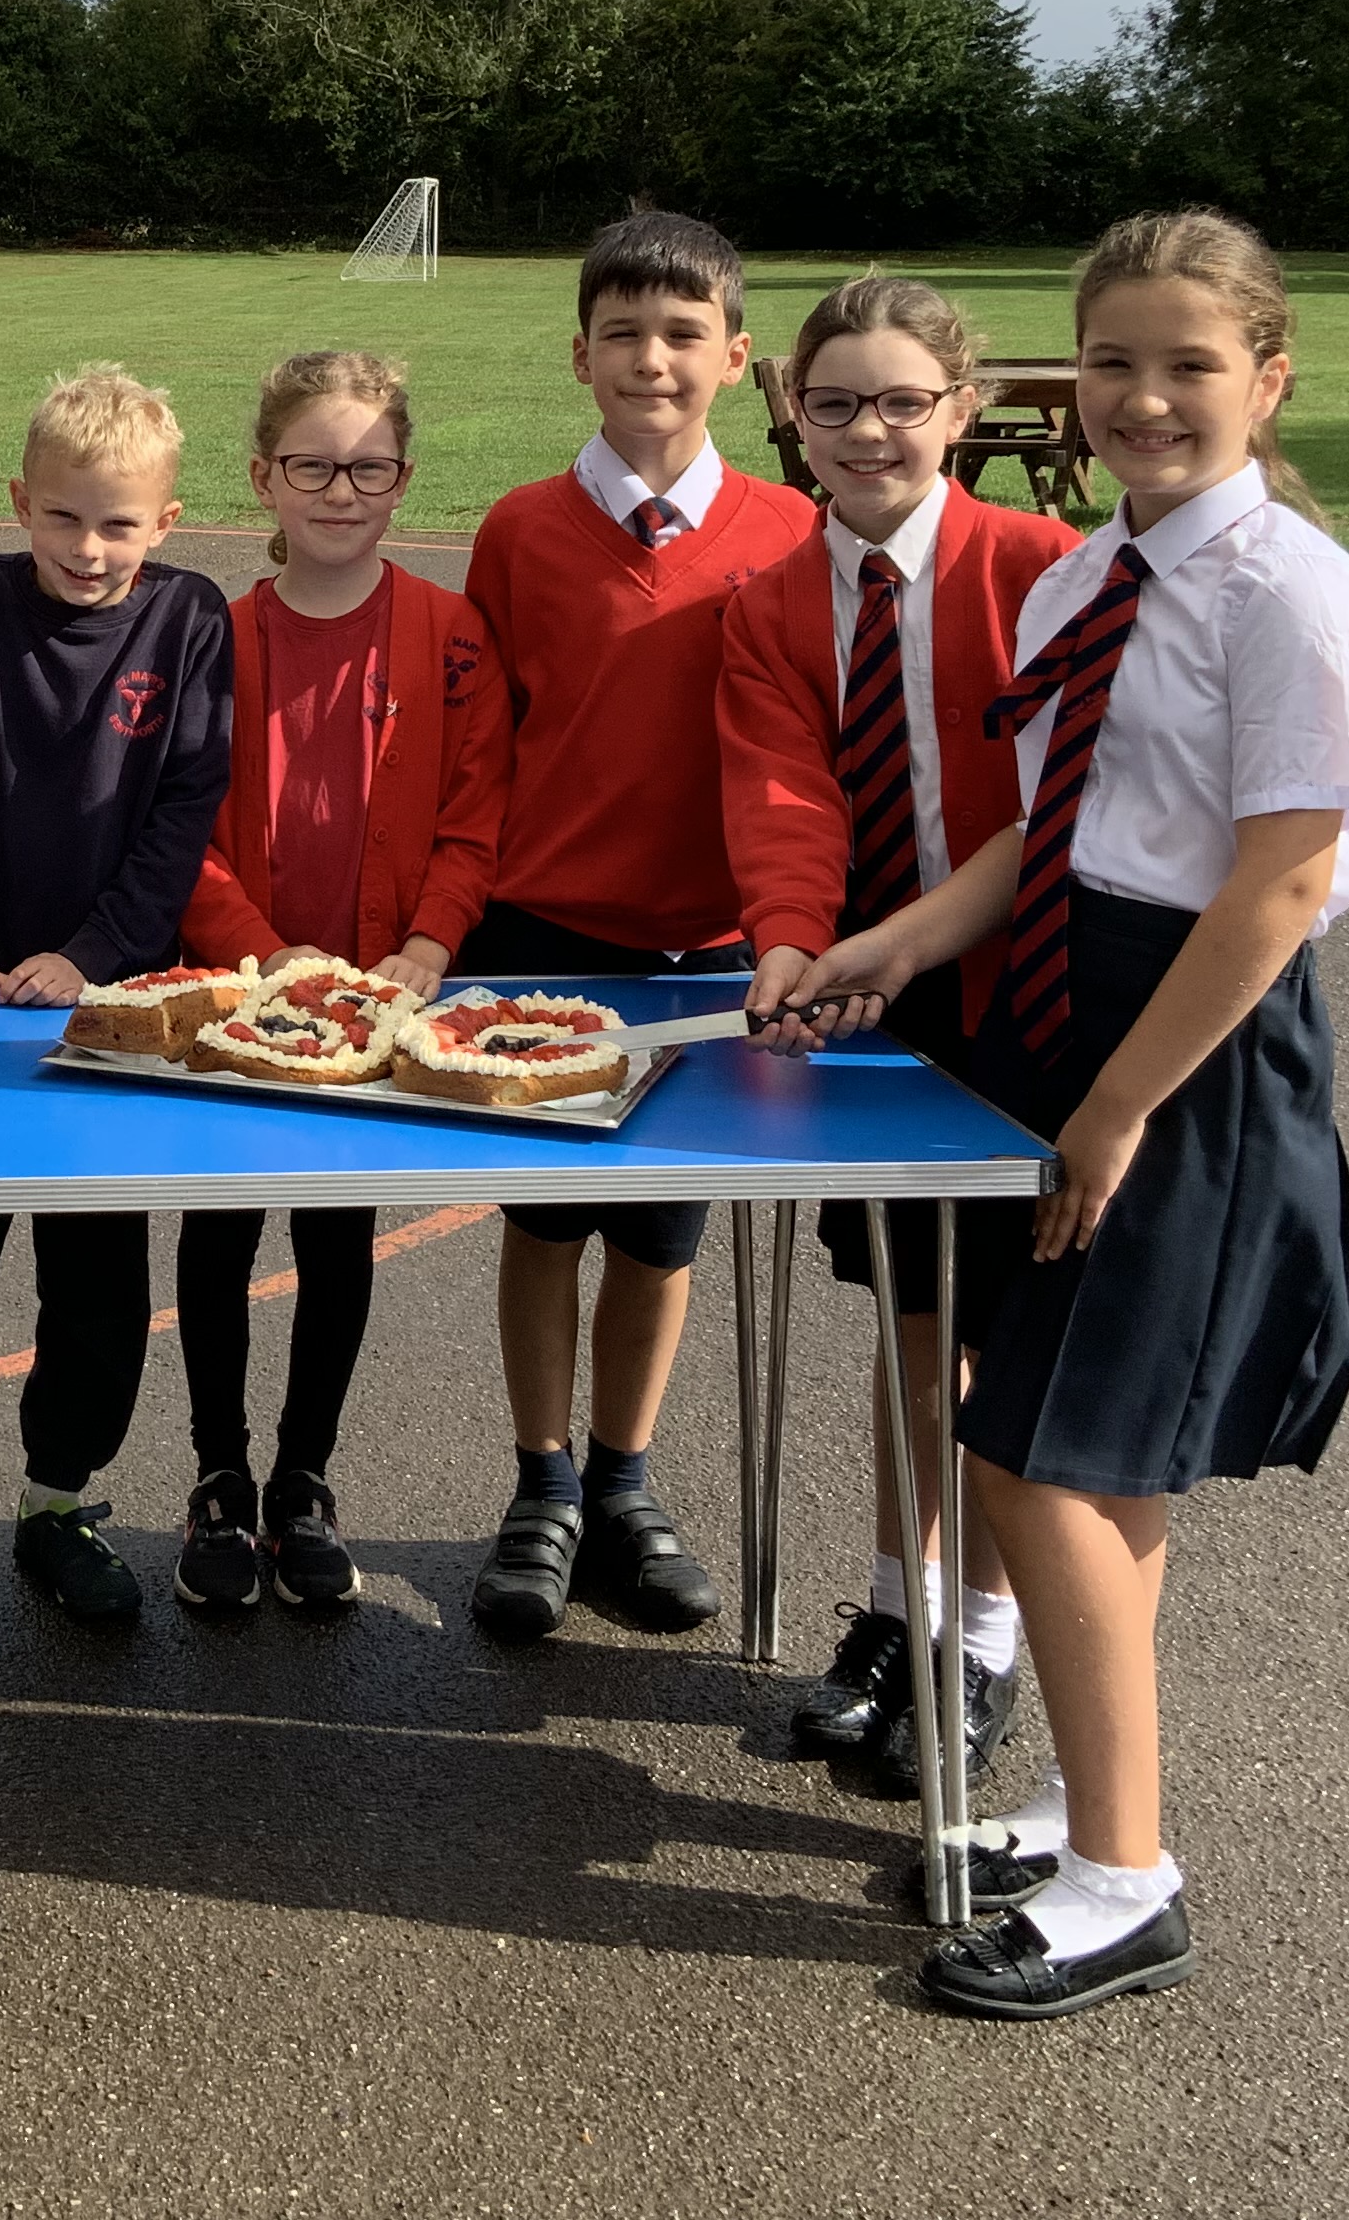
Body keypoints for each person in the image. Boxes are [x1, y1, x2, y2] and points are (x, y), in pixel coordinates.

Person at [776, 209, 1349, 2021]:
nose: (1142, 395)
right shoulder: (1079, 580)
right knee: (1055, 1446)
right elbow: (1033, 840)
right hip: (1063, 1013)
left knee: (1057, 1458)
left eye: (1188, 362)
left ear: (1266, 378)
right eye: (1111, 359)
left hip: (1183, 1050)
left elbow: (1278, 879)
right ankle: (1085, 1810)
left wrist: (1116, 1105)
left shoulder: (1283, 587)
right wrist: (878, 947)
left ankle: (1130, 1879)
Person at [719, 274, 1079, 1791]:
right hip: (882, 1002)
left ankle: (984, 1638)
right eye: (835, 404)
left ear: (963, 407)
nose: (868, 431)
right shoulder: (772, 602)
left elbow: (1068, 810)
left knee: (1003, 1336)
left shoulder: (1044, 566)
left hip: (1035, 990)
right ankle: (897, 1604)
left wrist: (898, 943)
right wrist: (796, 947)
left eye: (900, 402)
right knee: (913, 1313)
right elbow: (787, 795)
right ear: (793, 419)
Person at [458, 207, 819, 1643]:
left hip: (716, 951)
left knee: (662, 1238)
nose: (651, 360)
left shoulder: (792, 530)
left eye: (682, 335)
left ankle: (623, 1480)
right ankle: (540, 1482)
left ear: (738, 358)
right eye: (623, 334)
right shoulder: (521, 532)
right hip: (544, 933)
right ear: (579, 355)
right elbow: (485, 744)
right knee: (545, 1225)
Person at [0, 363, 235, 1632]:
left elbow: (184, 810)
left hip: (107, 1012)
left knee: (97, 1282)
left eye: (119, 524)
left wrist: (99, 955)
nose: (89, 549)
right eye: (65, 518)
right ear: (20, 503)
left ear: (167, 523)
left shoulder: (191, 619)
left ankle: (60, 1501)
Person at [169, 349, 504, 1612]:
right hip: (242, 985)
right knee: (218, 1229)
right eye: (312, 465)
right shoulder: (215, 633)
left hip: (380, 994)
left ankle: (304, 1477)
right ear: (263, 477)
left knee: (336, 1236)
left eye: (368, 467)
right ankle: (218, 1474)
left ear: (403, 480)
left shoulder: (447, 631)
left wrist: (423, 945)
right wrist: (259, 950)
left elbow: (478, 816)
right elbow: (180, 818)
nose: (340, 490)